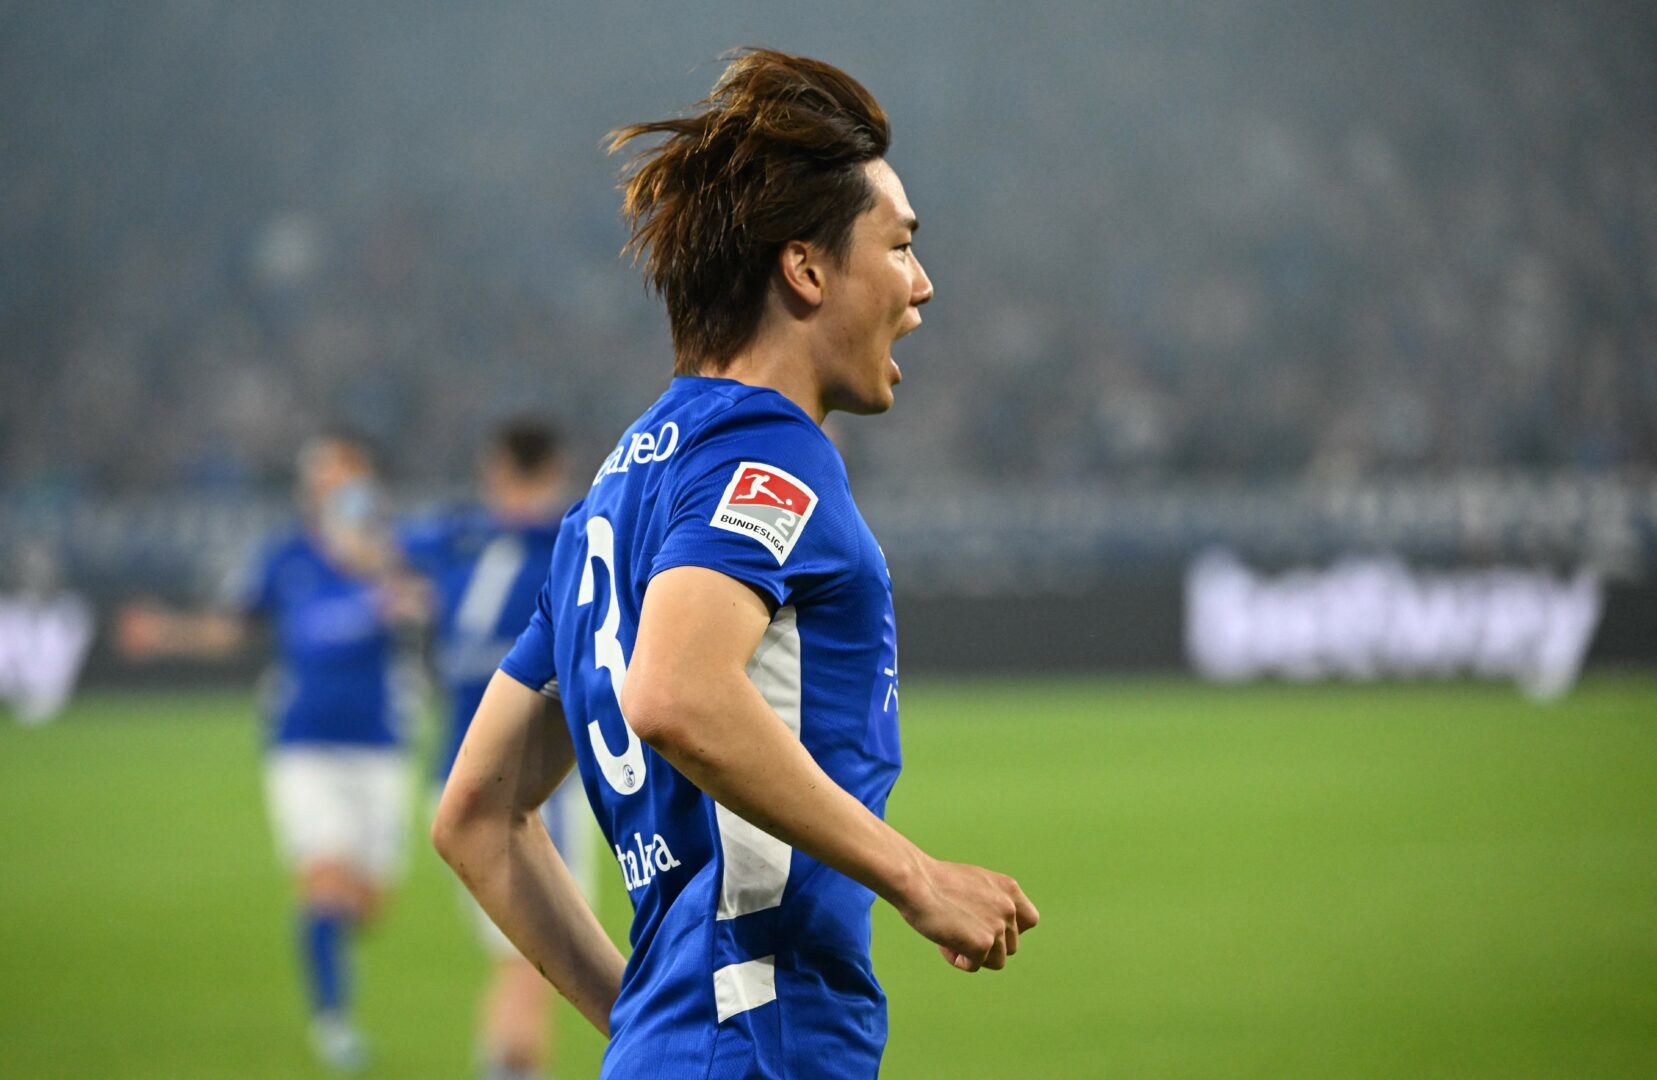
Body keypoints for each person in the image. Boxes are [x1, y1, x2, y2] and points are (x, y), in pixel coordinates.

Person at [433, 48, 1038, 1078]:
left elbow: (476, 817)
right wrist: (916, 877)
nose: (921, 285)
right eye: (899, 246)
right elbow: (674, 692)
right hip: (764, 1043)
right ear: (806, 270)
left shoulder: (610, 501)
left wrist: (645, 1026)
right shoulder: (770, 454)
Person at [118, 432, 413, 1073]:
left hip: (378, 745)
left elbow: (426, 610)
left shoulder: (394, 553)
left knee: (369, 904)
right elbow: (230, 630)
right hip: (304, 744)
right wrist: (166, 631)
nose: (330, 486)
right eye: (321, 476)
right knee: (324, 881)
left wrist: (383, 568)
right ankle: (334, 1024)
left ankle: (329, 943)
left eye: (343, 474)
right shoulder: (285, 559)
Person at [401, 419, 596, 1080]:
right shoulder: (570, 542)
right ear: (554, 467)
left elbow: (381, 552)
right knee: (536, 961)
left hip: (457, 776)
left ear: (498, 467)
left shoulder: (456, 538)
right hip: (532, 785)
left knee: (518, 958)